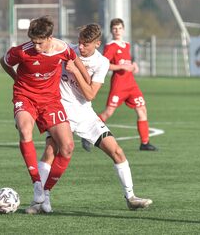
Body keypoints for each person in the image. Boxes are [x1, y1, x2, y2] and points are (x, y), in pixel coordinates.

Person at [39, 23, 153, 212]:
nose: (81, 47)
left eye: (86, 44)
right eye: (79, 43)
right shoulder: (67, 52)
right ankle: (42, 197)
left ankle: (130, 197)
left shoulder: (102, 63)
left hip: (85, 113)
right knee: (51, 151)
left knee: (116, 151)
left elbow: (90, 95)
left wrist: (76, 71)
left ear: (97, 44)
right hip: (61, 109)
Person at [0, 15, 90, 214]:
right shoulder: (22, 52)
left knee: (67, 147)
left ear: (50, 38)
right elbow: (4, 62)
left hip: (50, 101)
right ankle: (37, 185)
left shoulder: (62, 49)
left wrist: (87, 79)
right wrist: (17, 80)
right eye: (33, 42)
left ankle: (46, 192)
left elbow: (76, 61)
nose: (36, 47)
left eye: (40, 43)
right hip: (25, 96)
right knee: (25, 131)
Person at [99, 18, 157, 151]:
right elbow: (104, 65)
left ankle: (145, 143)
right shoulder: (110, 46)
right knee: (108, 113)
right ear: (111, 31)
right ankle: (88, 131)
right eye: (115, 29)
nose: (117, 31)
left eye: (119, 28)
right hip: (119, 86)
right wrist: (120, 67)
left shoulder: (127, 45)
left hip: (131, 85)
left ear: (123, 30)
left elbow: (127, 62)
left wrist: (133, 65)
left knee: (142, 110)